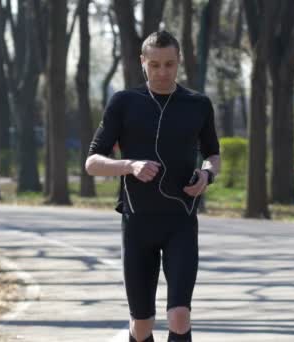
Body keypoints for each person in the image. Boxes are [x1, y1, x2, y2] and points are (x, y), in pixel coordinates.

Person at [85, 30, 221, 342]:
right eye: (155, 64)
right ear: (143, 62)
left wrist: (206, 175)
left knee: (179, 315)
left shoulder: (198, 104)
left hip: (180, 223)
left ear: (179, 63)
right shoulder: (124, 102)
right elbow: (92, 162)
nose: (162, 72)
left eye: (169, 64)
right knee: (141, 324)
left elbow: (213, 155)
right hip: (138, 224)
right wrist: (129, 165)